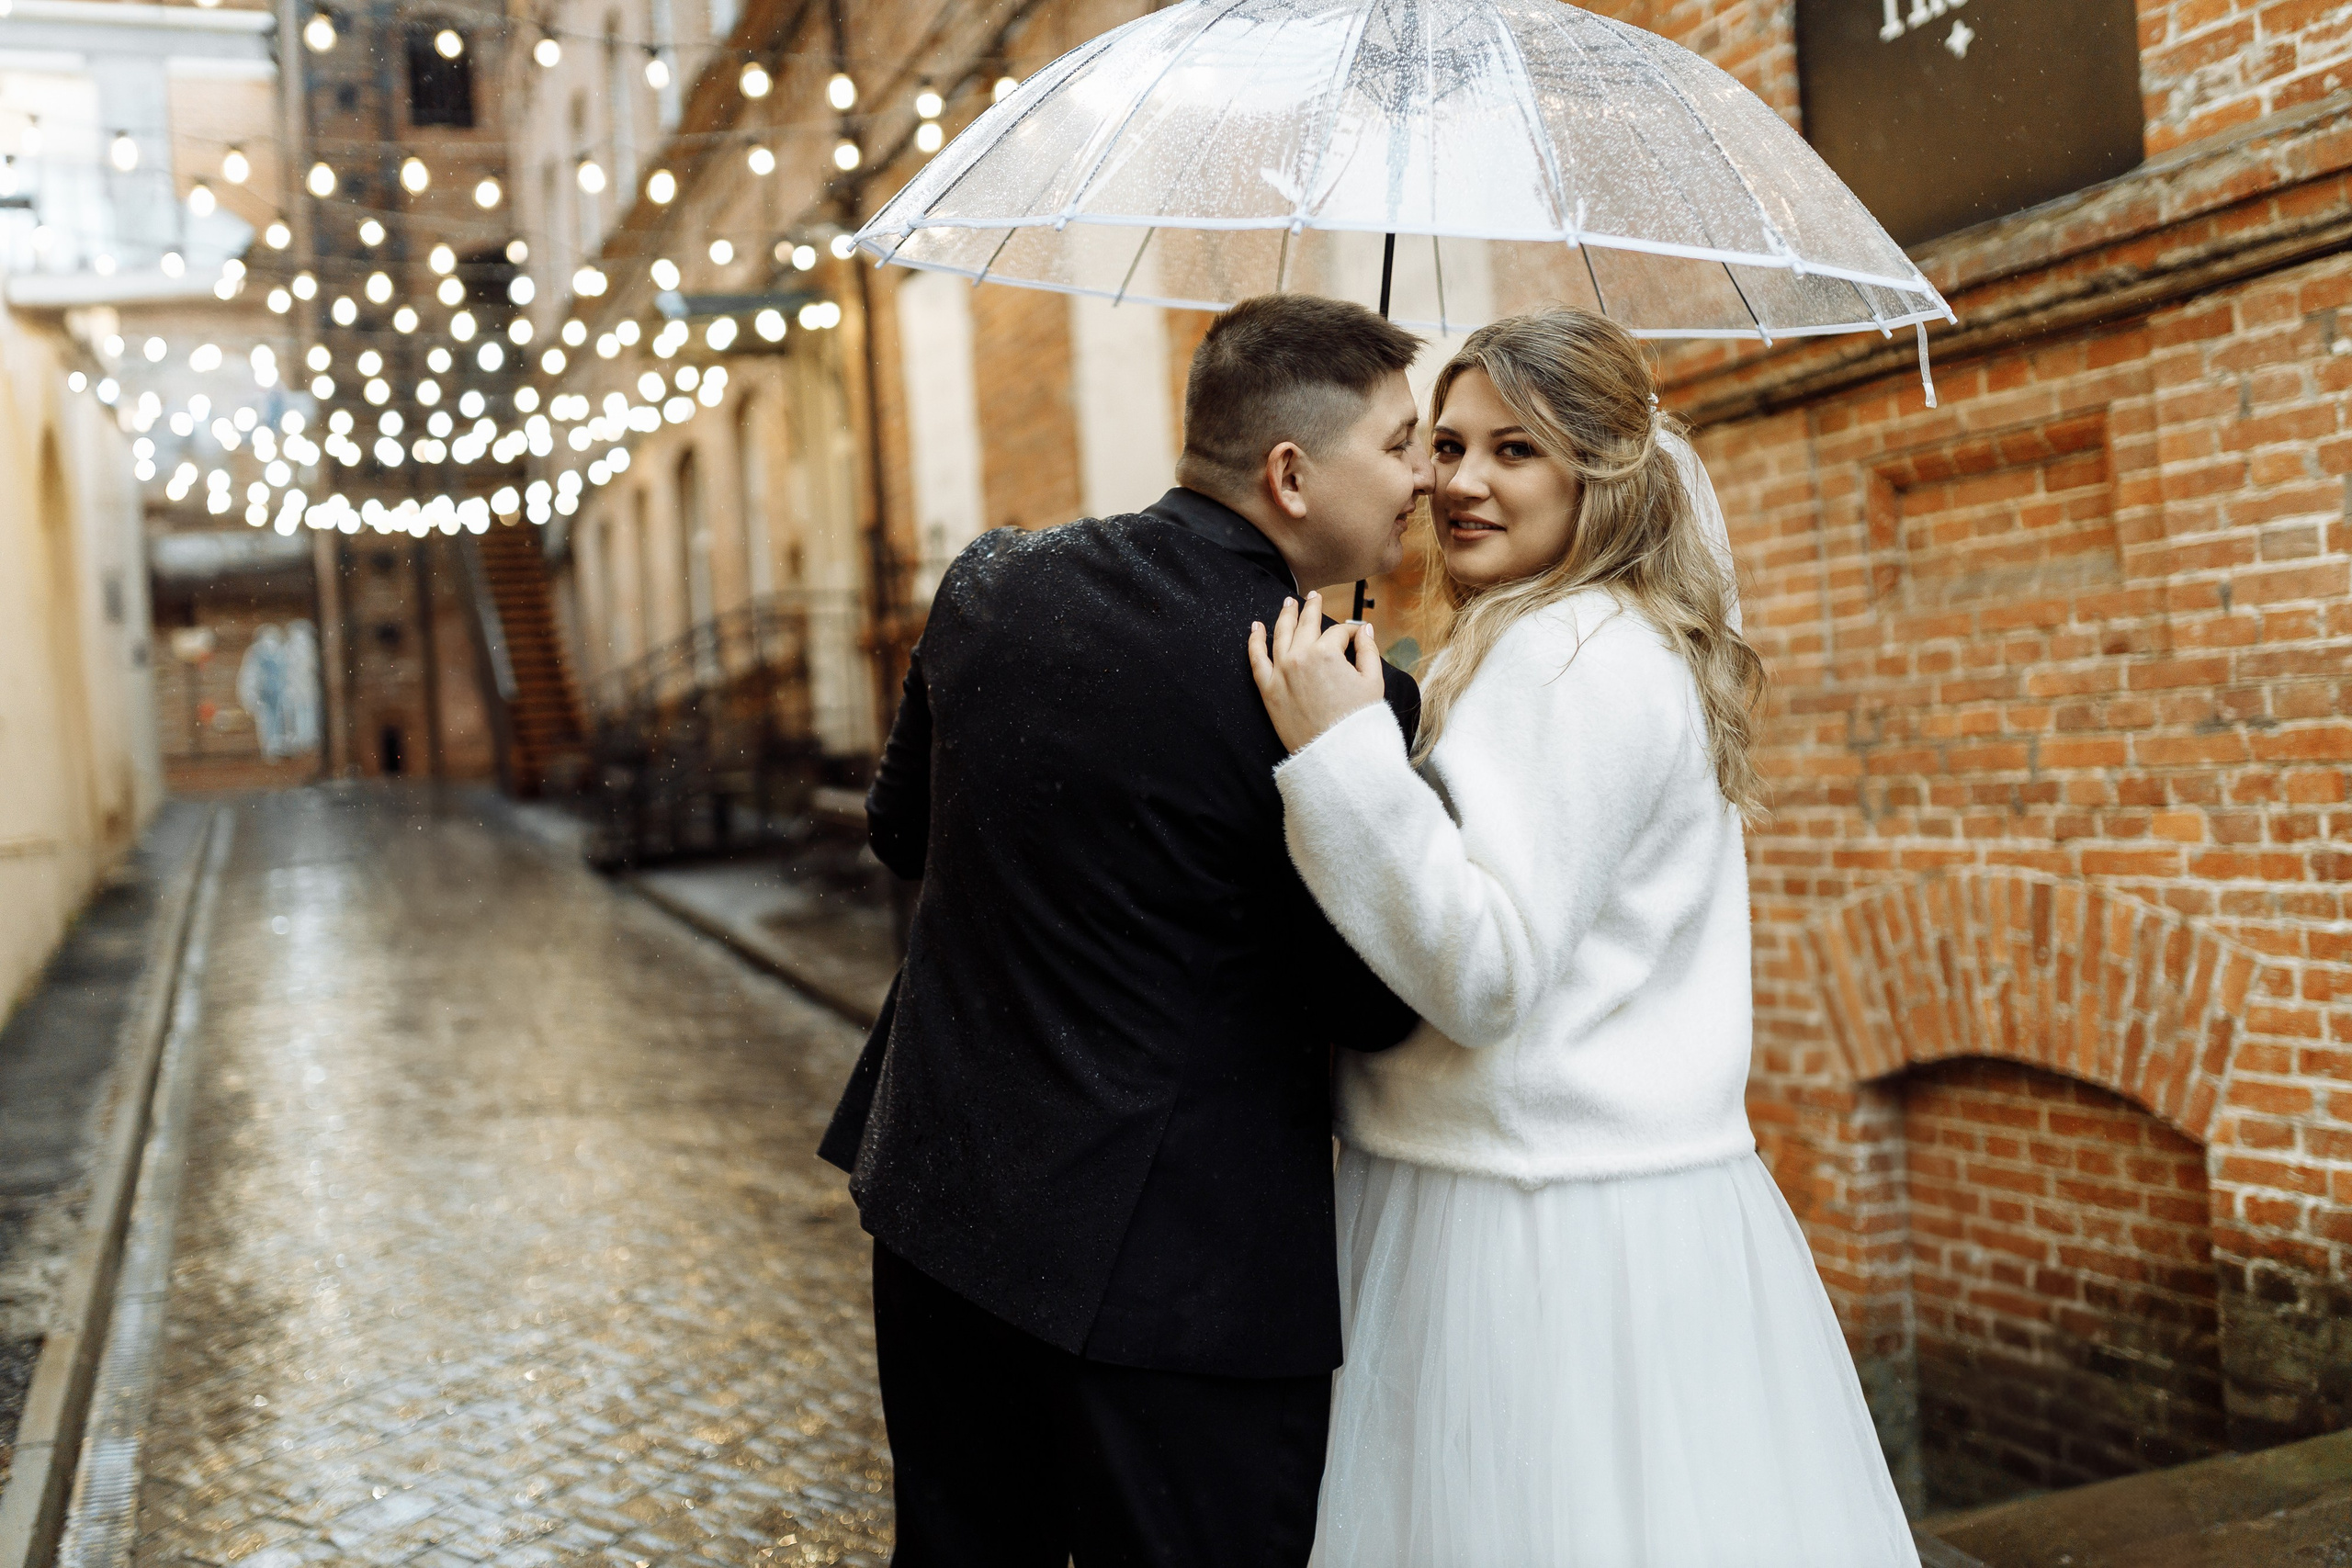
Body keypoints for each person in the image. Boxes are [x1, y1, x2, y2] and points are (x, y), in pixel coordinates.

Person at [1248, 308, 1921, 1567]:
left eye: (1516, 451)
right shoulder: (1539, 639)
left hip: (1534, 1223)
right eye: (1443, 446)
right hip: (1562, 1190)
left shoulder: (1570, 656)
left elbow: (1485, 968)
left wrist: (1341, 761)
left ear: (1599, 473)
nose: (1459, 481)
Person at [820, 293, 1436, 1567]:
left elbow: (903, 834)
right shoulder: (1329, 696)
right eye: (1401, 444)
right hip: (1183, 1277)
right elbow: (1378, 1002)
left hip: (946, 1212)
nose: (1424, 478)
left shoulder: (990, 584)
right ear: (1290, 474)